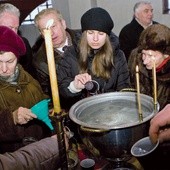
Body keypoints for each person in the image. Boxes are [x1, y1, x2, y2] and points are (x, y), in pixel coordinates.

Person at [57, 7, 130, 109]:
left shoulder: (118, 55)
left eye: (101, 34)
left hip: (111, 112)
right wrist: (74, 87)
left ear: (107, 36)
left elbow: (124, 90)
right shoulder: (71, 53)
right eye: (90, 33)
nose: (95, 39)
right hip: (80, 113)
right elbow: (61, 90)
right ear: (84, 33)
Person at [0, 25, 52, 153]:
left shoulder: (28, 78)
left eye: (9, 61)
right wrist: (12, 118)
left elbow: (41, 100)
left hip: (39, 149)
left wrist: (50, 107)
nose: (4, 68)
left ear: (17, 59)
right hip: (12, 156)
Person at [33, 8, 82, 98]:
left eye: (53, 26)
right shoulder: (40, 61)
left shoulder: (84, 38)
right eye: (45, 30)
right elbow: (50, 93)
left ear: (63, 24)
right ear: (41, 34)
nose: (51, 33)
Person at [128, 24, 170, 110]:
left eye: (151, 56)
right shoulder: (136, 60)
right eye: (144, 54)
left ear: (166, 55)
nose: (145, 61)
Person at [0, 3, 35, 78]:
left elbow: (30, 74)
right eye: (9, 28)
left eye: (16, 28)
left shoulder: (24, 44)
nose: (14, 33)